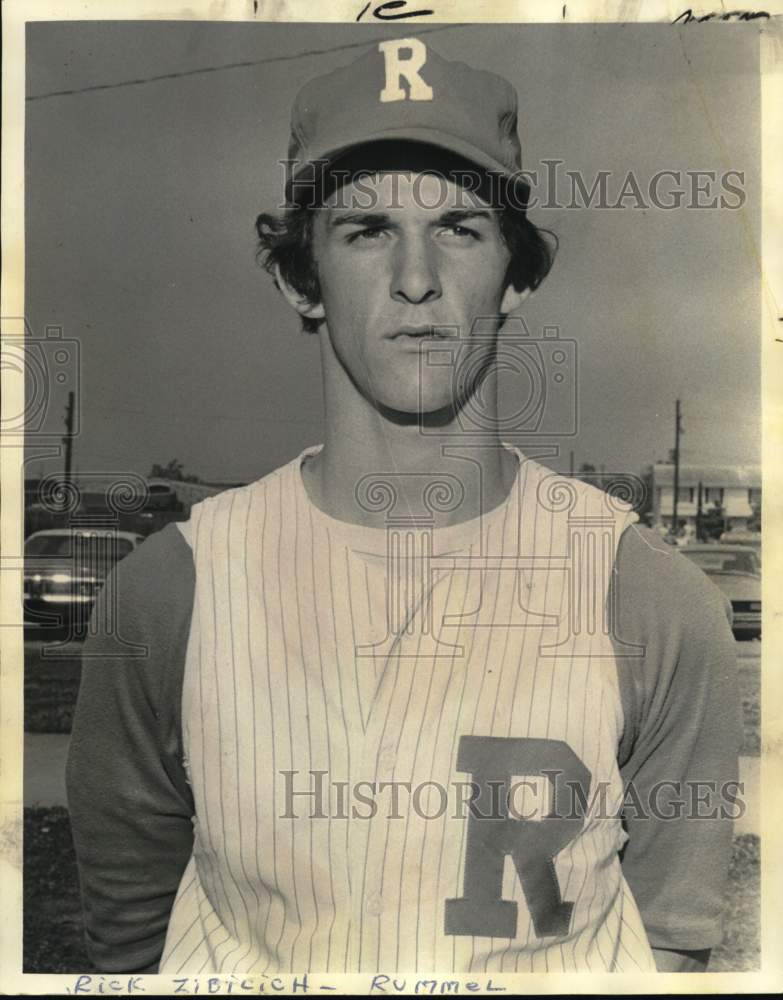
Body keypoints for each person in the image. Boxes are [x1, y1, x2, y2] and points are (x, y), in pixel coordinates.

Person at [66, 37, 742, 975]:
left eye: (460, 228)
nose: (415, 279)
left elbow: (671, 947)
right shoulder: (168, 592)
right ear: (298, 278)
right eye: (365, 230)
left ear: (517, 274)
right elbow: (129, 941)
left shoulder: (648, 597)